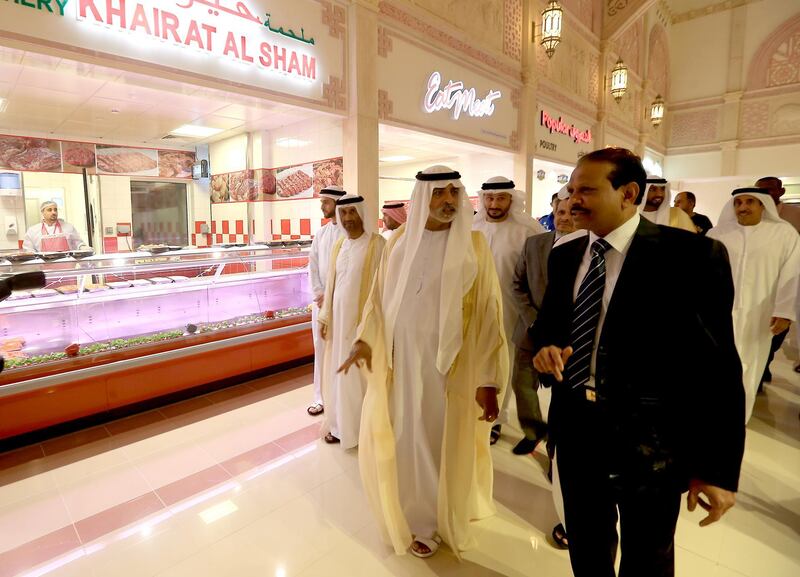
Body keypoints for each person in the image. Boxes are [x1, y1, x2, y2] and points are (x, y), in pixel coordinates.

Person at [532, 147, 744, 577]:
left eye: (587, 190)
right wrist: (545, 348)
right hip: (575, 431)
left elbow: (719, 369)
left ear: (629, 192)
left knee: (648, 556)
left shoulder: (691, 257)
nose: (573, 201)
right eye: (571, 190)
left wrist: (716, 468)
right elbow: (549, 326)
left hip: (651, 443)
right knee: (587, 546)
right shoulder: (565, 254)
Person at [338, 165, 508, 559]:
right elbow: (377, 302)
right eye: (439, 193)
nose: (448, 201)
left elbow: (488, 315)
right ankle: (414, 517)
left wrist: (488, 379)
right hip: (401, 366)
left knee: (438, 441)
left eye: (453, 192)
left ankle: (435, 520)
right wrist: (364, 341)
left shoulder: (475, 246)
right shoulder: (398, 242)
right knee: (405, 439)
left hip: (450, 371)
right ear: (421, 198)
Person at [707, 187, 800, 423]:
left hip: (761, 313)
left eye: (750, 202)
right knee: (715, 365)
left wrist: (784, 311)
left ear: (763, 206)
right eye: (738, 203)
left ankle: (739, 418)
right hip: (719, 312)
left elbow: (793, 275)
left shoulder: (784, 234)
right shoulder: (718, 233)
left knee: (751, 363)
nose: (743, 207)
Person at [473, 176, 544, 445]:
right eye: (489, 198)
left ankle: (496, 421)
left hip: (509, 311)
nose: (494, 204)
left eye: (500, 198)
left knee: (502, 363)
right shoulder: (472, 226)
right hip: (474, 307)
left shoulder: (527, 230)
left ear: (511, 200)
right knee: (475, 359)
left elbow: (536, 275)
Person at [318, 195, 385, 447]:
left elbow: (381, 289)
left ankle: (360, 430)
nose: (347, 219)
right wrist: (325, 317)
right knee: (338, 373)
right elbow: (332, 286)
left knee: (357, 377)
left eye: (352, 213)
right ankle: (339, 426)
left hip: (361, 326)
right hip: (338, 323)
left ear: (362, 215)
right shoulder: (339, 246)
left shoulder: (376, 245)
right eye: (343, 213)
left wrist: (369, 326)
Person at [754, 177, 800, 377]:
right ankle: (761, 368)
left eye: (770, 189)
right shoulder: (755, 212)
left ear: (780, 192)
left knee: (778, 326)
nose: (766, 193)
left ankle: (767, 359)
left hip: (789, 277)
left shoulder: (795, 214)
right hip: (760, 278)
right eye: (761, 190)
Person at [306, 185, 345, 417]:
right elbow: (312, 265)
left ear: (337, 204)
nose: (322, 206)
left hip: (341, 303)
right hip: (321, 304)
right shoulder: (320, 234)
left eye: (325, 202)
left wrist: (335, 295)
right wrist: (319, 292)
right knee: (320, 350)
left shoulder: (350, 233)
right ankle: (319, 398)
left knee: (339, 349)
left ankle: (339, 398)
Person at [22, 201, 90, 252]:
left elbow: (77, 243)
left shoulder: (68, 227)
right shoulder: (33, 231)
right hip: (44, 267)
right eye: (49, 210)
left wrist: (82, 247)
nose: (53, 212)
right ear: (43, 212)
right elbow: (28, 249)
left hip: (66, 265)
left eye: (55, 209)